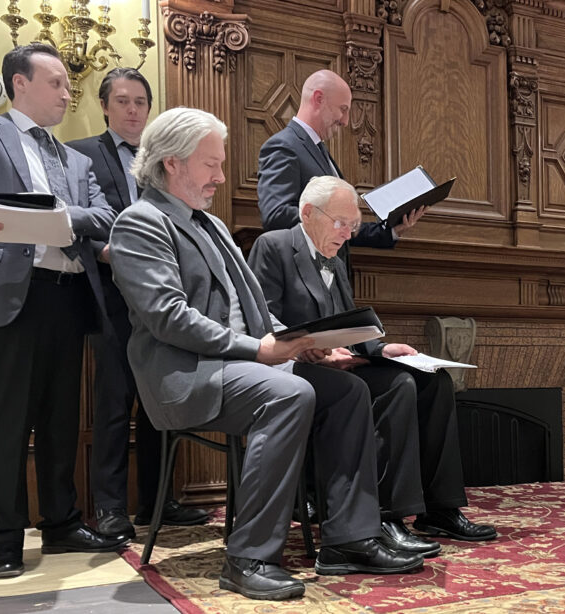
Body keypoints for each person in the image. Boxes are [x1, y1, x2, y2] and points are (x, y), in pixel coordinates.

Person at [108, 107, 423, 601]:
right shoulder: (139, 223)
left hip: (240, 365)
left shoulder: (210, 225)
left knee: (346, 390)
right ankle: (249, 556)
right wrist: (263, 349)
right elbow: (169, 317)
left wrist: (300, 342)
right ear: (172, 163)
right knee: (289, 392)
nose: (220, 176)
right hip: (186, 375)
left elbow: (255, 310)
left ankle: (348, 538)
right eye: (210, 164)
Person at [0, 43, 128, 580]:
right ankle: (7, 537)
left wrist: (65, 215)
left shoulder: (76, 159)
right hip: (12, 297)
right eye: (56, 83)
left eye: (67, 85)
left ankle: (60, 523)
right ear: (19, 84)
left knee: (63, 422)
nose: (66, 93)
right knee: (11, 425)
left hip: (70, 294)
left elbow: (104, 215)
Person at [248, 175, 497, 555]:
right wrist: (306, 348)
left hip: (339, 362)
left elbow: (348, 321)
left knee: (433, 381)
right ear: (308, 213)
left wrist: (381, 349)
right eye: (341, 223)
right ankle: (387, 516)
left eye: (353, 226)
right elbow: (261, 319)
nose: (348, 234)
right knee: (399, 387)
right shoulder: (274, 246)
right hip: (296, 368)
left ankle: (440, 509)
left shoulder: (335, 254)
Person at [67, 68, 208, 539]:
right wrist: (102, 252)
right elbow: (71, 229)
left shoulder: (170, 160)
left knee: (158, 400)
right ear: (105, 106)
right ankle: (109, 507)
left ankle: (157, 500)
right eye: (123, 101)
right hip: (110, 299)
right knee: (113, 404)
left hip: (164, 300)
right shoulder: (81, 154)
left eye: (141, 102)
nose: (133, 110)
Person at [256, 69, 425, 261]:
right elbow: (276, 215)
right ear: (318, 98)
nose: (345, 121)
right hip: (304, 277)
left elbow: (340, 226)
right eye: (343, 109)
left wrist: (391, 230)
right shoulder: (284, 146)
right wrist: (336, 220)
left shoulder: (319, 150)